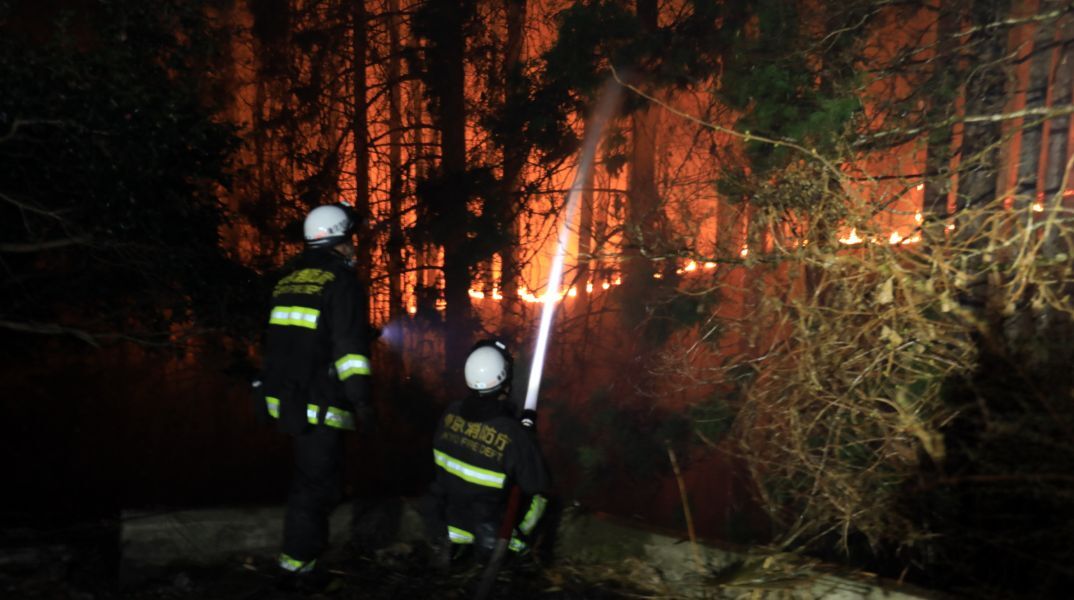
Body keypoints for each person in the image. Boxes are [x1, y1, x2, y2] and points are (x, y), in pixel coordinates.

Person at [253, 203, 376, 583]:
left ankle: (306, 551)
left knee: (319, 477)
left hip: (283, 397)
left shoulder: (287, 278)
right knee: (315, 485)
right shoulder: (340, 283)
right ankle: (297, 568)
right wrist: (362, 401)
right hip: (316, 402)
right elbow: (349, 351)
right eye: (351, 240)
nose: (354, 248)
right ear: (338, 241)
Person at [422, 339, 549, 571]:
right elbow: (535, 482)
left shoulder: (450, 413)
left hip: (446, 517)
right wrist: (527, 441)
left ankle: (455, 548)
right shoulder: (511, 432)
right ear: (505, 381)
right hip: (487, 531)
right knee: (541, 498)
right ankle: (518, 544)